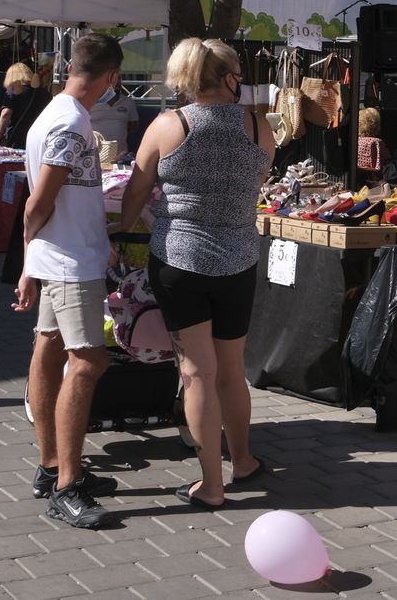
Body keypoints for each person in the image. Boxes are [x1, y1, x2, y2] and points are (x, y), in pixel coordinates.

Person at [115, 38, 273, 508]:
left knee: (196, 373)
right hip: (239, 260)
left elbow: (137, 188)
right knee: (232, 370)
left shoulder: (169, 125)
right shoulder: (257, 125)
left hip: (179, 262)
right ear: (227, 76)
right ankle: (242, 459)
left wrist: (122, 228)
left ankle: (212, 484)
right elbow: (256, 180)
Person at [13, 34, 126, 529]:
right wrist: (29, 256)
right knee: (88, 361)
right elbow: (38, 202)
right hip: (70, 262)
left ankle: (52, 467)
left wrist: (32, 260)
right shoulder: (71, 121)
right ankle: (66, 484)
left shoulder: (55, 113)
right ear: (112, 76)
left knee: (49, 349)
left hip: (61, 256)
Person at [0, 63, 49, 149]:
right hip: (38, 136)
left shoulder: (12, 91)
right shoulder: (43, 92)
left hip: (17, 137)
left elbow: (5, 114)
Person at [88, 83, 141, 160]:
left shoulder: (128, 102)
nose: (117, 82)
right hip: (93, 154)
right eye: (112, 78)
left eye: (119, 78)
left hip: (120, 155)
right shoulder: (90, 100)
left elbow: (133, 125)